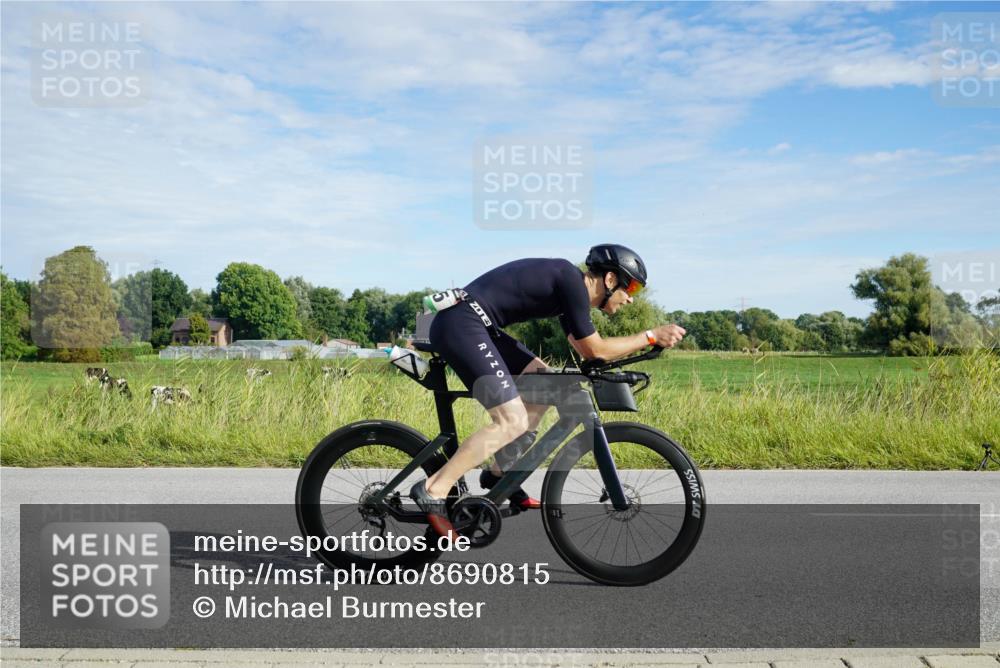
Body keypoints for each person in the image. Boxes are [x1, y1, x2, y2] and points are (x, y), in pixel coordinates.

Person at [409, 244, 686, 538]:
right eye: (630, 286)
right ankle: (433, 490)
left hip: (476, 324)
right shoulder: (570, 280)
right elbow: (597, 349)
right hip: (462, 323)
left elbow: (589, 354)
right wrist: (650, 336)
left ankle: (500, 472)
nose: (630, 298)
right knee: (511, 420)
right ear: (609, 279)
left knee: (547, 384)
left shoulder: (571, 294)